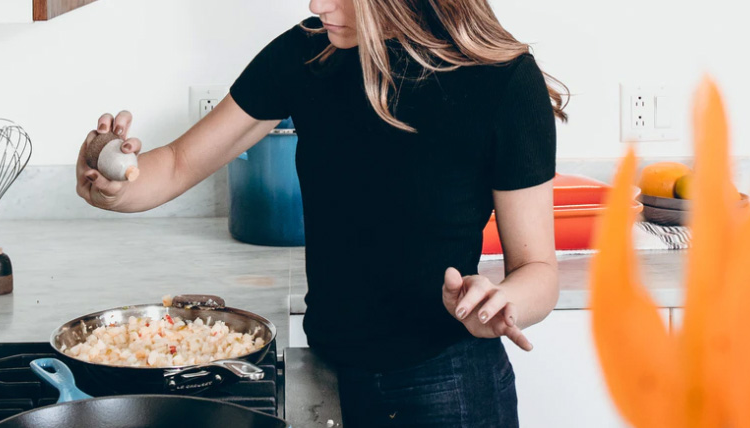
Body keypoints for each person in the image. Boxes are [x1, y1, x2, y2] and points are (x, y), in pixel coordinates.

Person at [77, 0, 567, 426]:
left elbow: (538, 273)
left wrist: (499, 303)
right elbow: (179, 163)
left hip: (449, 385)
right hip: (328, 372)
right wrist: (115, 185)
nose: (317, 6)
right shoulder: (309, 53)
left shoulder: (503, 81)